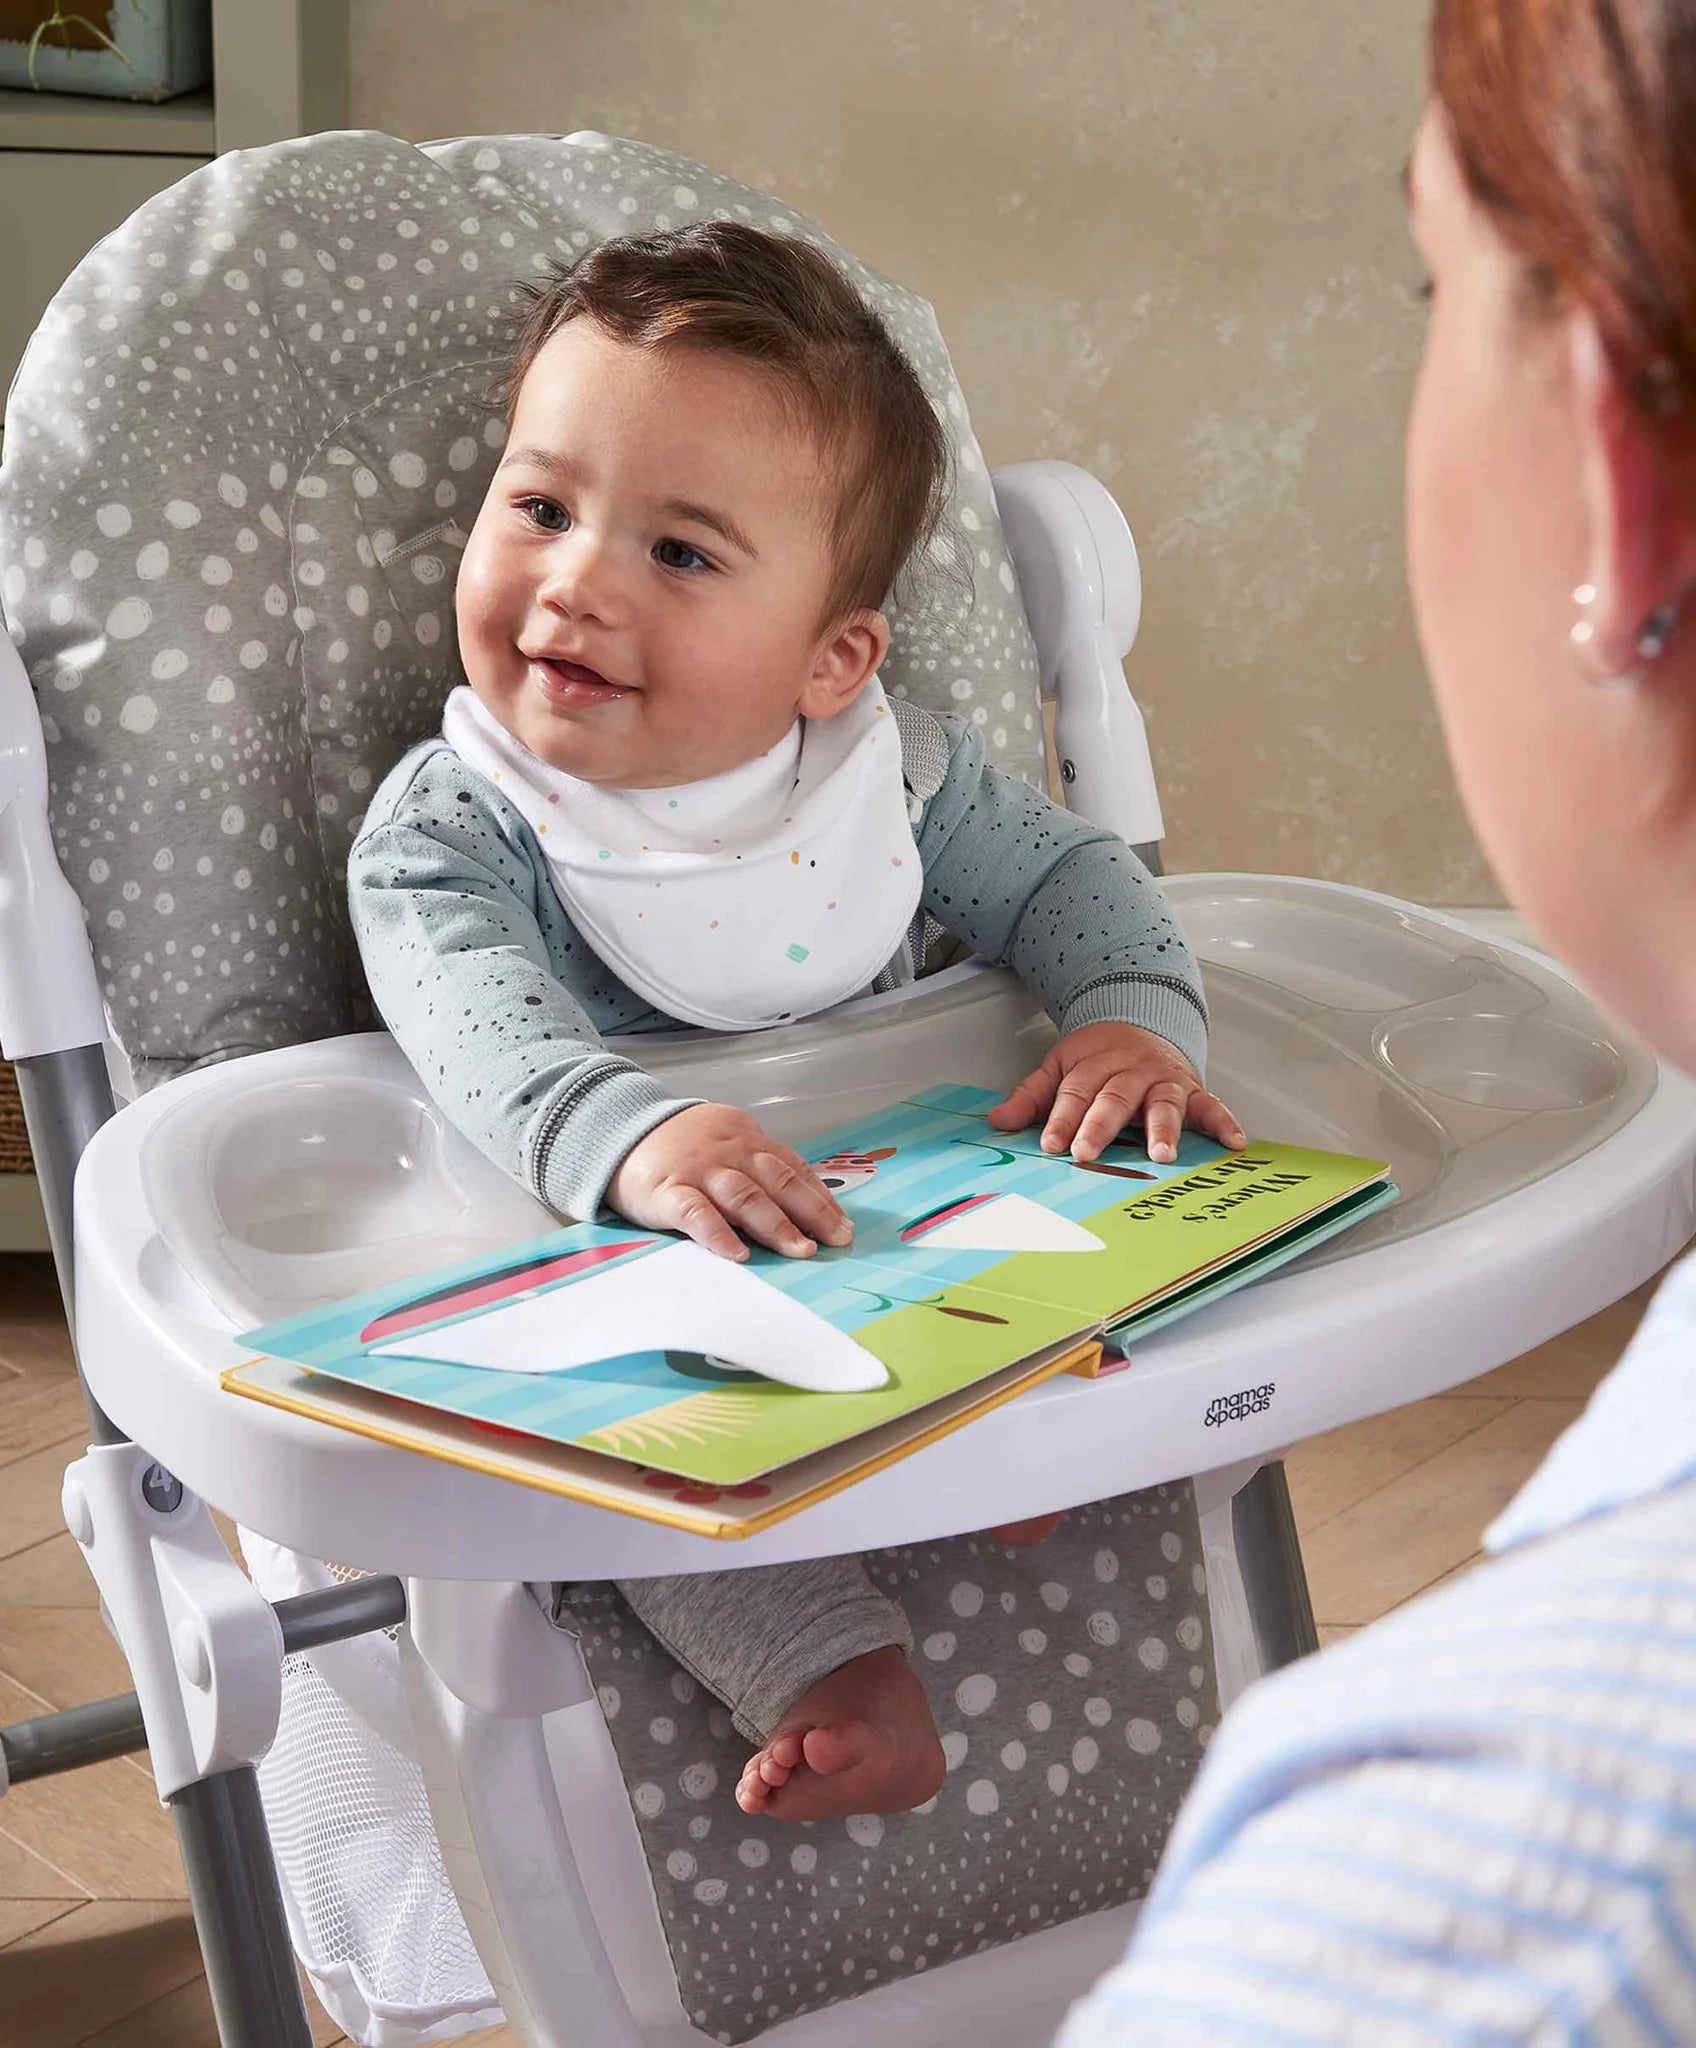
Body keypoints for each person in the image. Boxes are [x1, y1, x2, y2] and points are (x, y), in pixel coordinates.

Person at [348, 221, 1244, 1826]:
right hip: (661, 1262)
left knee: (1112, 1322)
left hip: (907, 1239)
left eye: (679, 554)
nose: (573, 583)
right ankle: (835, 1669)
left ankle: (1005, 1472)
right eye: (542, 508)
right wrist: (633, 1134)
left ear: (836, 659)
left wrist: (1132, 1019)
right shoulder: (458, 827)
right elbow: (472, 1018)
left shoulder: (891, 784)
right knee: (636, 1468)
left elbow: (1077, 879)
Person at [1060, 0, 1696, 2039]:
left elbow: (1059, 890)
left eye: (1442, 281)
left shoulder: (1458, 1909)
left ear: (1619, 474)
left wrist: (1123, 1001)